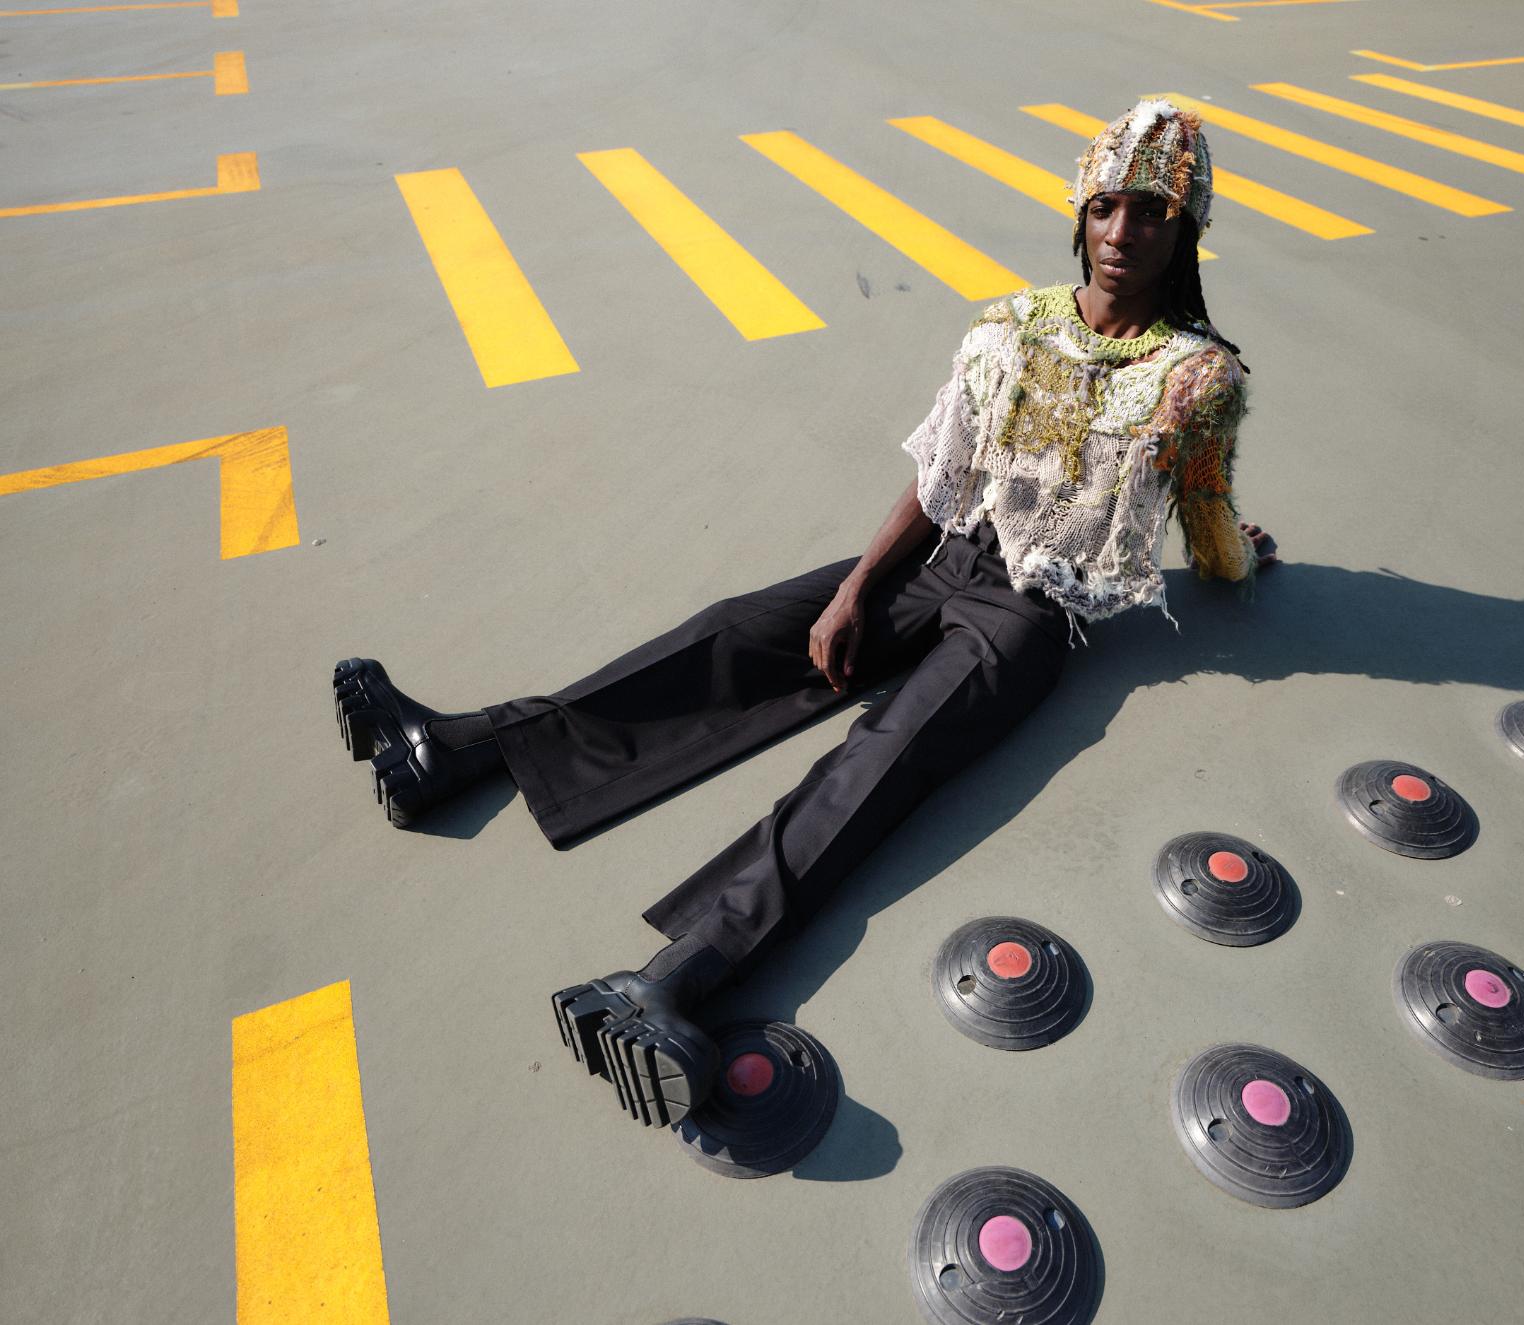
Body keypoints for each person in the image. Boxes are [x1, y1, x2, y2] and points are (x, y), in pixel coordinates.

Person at [331, 99, 1277, 1129]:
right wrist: (854, 590)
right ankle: (464, 746)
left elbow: (1206, 514)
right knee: (734, 632)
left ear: (1186, 227)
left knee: (880, 755)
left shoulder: (1197, 378)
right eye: (1104, 206)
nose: (1121, 232)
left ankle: (676, 976)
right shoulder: (1010, 326)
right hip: (943, 555)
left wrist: (1239, 556)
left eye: (1150, 212)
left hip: (1030, 612)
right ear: (1079, 212)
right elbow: (942, 475)